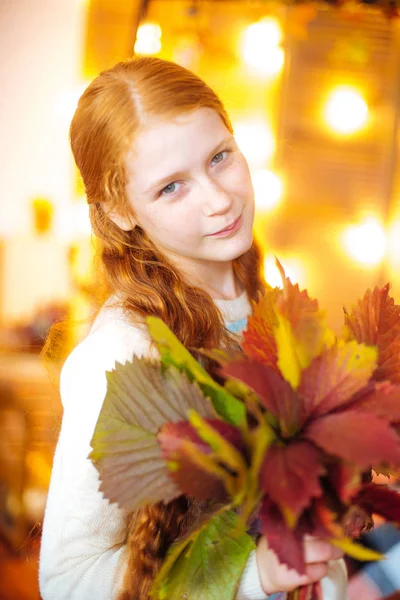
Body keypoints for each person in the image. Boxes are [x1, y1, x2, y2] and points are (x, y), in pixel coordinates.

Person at [39, 56, 348, 600]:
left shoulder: (268, 304)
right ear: (118, 210)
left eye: (220, 157)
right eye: (171, 188)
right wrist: (255, 576)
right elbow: (67, 580)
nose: (220, 198)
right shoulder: (122, 357)